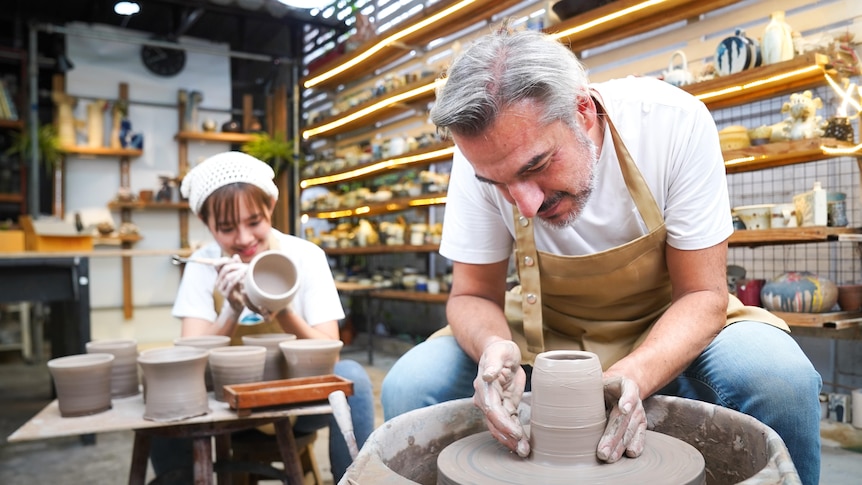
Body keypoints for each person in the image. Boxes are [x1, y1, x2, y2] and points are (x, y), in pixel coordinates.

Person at [380, 27, 822, 485]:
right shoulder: (481, 162)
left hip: (670, 322)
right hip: (539, 330)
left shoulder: (673, 122)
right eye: (500, 184)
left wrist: (636, 373)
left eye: (536, 166)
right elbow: (471, 295)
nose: (525, 204)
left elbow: (702, 294)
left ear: (583, 109)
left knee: (780, 380)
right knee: (411, 384)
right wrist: (495, 349)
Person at [150, 151, 374, 483]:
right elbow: (190, 356)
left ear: (270, 206)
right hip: (227, 401)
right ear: (205, 222)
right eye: (226, 228)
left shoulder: (305, 256)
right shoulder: (202, 265)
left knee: (353, 376)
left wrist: (283, 311)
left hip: (295, 397)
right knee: (164, 389)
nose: (243, 239)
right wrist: (232, 308)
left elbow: (331, 351)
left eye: (254, 222)